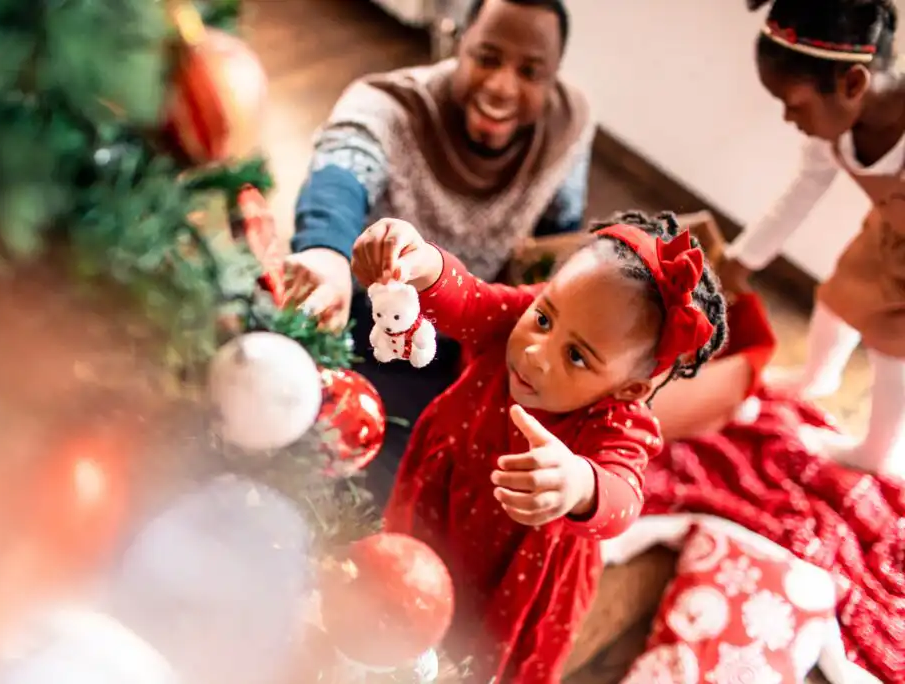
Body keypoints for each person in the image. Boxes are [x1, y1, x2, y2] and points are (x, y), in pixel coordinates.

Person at [351, 212, 728, 683]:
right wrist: (419, 261)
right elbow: (468, 301)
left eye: (576, 356)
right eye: (544, 317)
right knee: (401, 598)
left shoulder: (618, 420)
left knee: (474, 660)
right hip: (440, 501)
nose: (535, 352)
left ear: (629, 389)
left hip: (517, 570)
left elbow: (624, 498)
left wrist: (579, 483)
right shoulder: (521, 319)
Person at [283, 0, 594, 495]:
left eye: (531, 72)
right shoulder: (388, 105)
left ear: (554, 77)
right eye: (487, 58)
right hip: (362, 318)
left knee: (420, 479)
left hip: (465, 336)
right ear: (457, 46)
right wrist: (326, 252)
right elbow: (342, 167)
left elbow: (560, 230)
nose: (501, 87)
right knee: (294, 430)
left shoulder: (571, 123)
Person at [720, 0, 905, 476]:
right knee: (838, 299)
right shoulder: (835, 131)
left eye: (793, 104)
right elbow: (798, 196)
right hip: (890, 232)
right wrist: (742, 259)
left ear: (852, 85)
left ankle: (878, 451)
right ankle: (816, 378)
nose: (787, 118)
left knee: (892, 349)